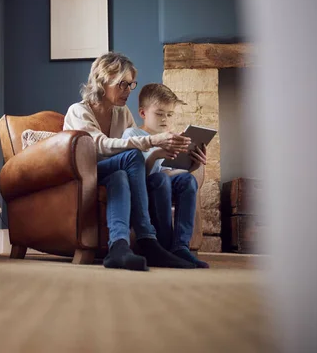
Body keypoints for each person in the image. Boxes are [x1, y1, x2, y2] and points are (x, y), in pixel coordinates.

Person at [63, 52, 196, 271]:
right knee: (132, 155)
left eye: (131, 85)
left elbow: (135, 152)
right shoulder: (78, 111)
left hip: (113, 171)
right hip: (85, 172)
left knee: (120, 176)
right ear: (103, 81)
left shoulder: (122, 112)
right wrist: (152, 140)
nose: (127, 91)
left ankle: (119, 247)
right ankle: (147, 239)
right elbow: (99, 145)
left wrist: (173, 153)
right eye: (122, 84)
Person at [122, 83, 209, 268]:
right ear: (143, 113)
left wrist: (193, 163)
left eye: (169, 114)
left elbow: (170, 171)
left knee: (187, 180)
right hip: (144, 186)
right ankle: (163, 245)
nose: (165, 119)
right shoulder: (132, 134)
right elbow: (136, 174)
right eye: (159, 114)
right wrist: (155, 154)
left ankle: (181, 247)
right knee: (161, 180)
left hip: (164, 181)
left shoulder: (170, 137)